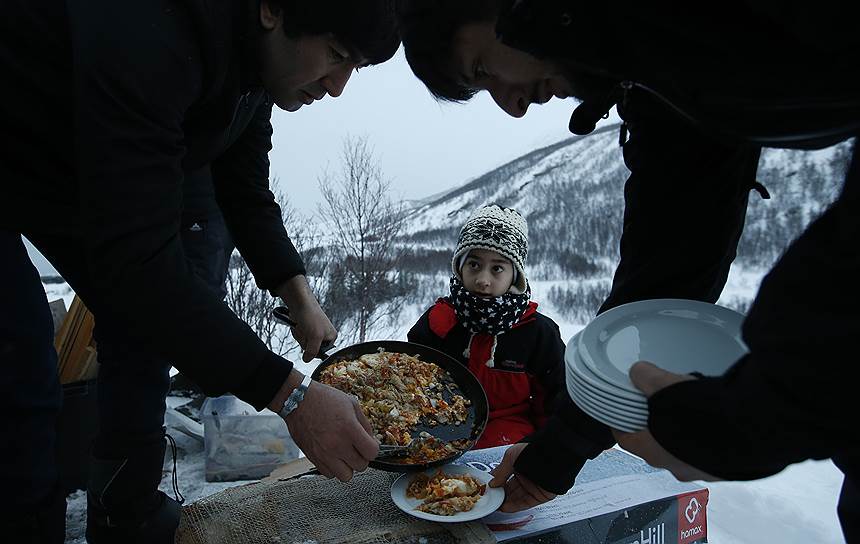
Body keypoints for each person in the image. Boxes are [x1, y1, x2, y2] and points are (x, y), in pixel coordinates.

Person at [396, 0, 860, 539]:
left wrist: (779, 397)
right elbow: (669, 262)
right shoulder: (656, 77)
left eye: (482, 68)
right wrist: (561, 449)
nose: (514, 106)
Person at [0, 0, 399, 542]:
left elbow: (245, 192)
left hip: (76, 169)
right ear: (272, 10)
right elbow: (140, 263)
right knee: (19, 369)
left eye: (355, 68)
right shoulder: (153, 28)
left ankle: (125, 510)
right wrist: (291, 397)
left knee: (143, 331)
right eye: (335, 55)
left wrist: (296, 292)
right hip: (27, 146)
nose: (337, 86)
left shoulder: (254, 72)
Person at [408, 204, 568, 452]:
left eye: (497, 268)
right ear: (459, 267)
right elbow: (409, 383)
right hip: (439, 434)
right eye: (474, 264)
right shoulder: (438, 322)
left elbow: (555, 402)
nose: (483, 280)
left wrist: (542, 450)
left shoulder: (537, 333)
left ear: (515, 276)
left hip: (509, 442)